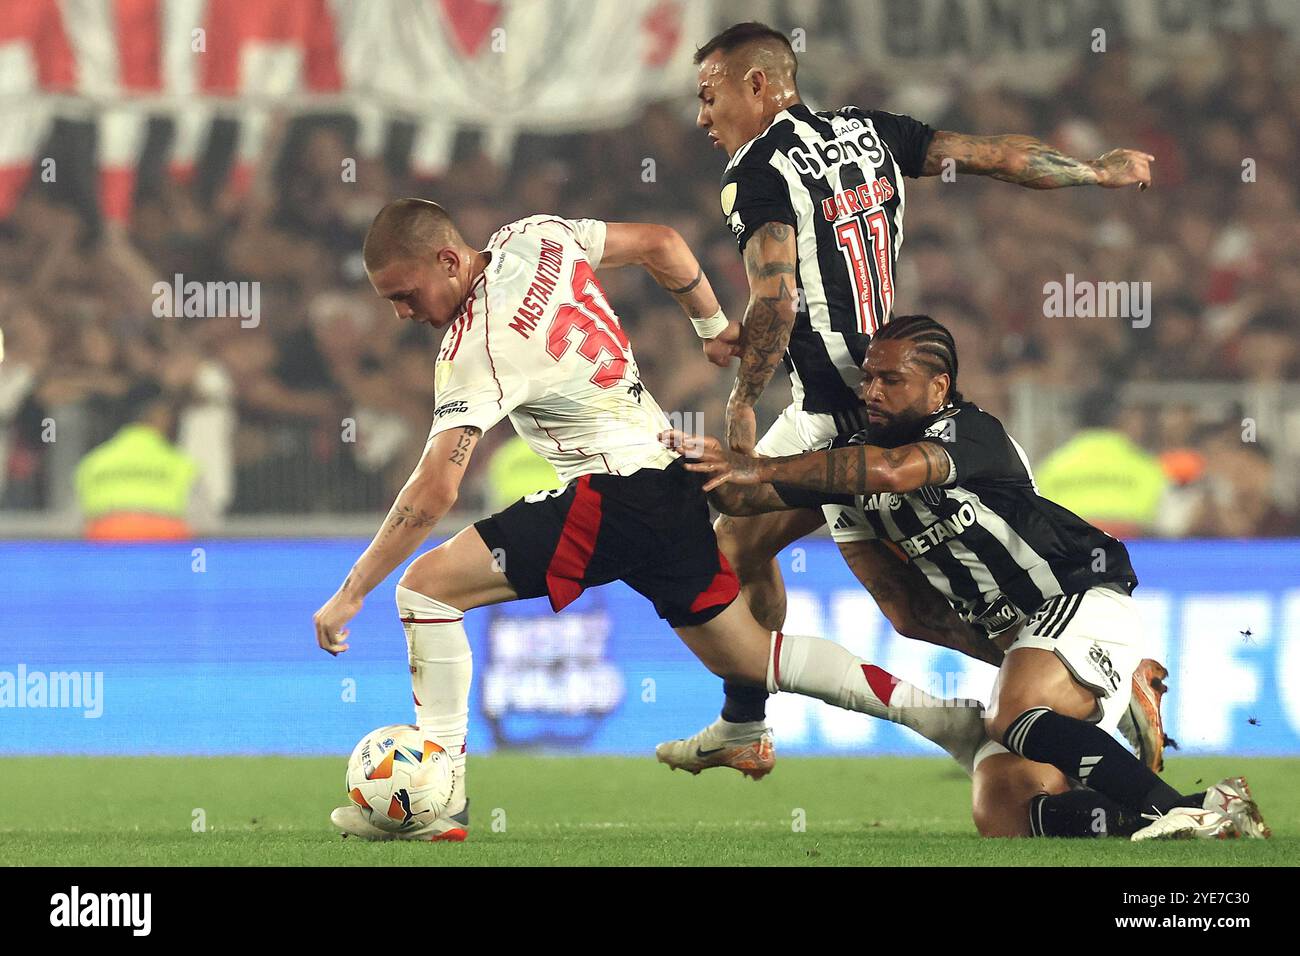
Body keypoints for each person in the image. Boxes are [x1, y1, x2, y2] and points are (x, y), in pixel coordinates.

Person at [313, 200, 989, 841]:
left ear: (449, 261)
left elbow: (435, 488)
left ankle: (440, 797)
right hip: (668, 485)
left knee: (424, 589)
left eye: (405, 294)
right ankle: (944, 721)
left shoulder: (477, 348)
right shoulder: (538, 236)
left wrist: (353, 589)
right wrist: (712, 327)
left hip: (613, 494)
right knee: (755, 656)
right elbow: (662, 244)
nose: (404, 314)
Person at [681, 21, 1157, 771]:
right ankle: (1082, 682)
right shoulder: (870, 133)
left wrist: (743, 396)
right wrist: (1091, 173)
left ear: (759, 85)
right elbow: (991, 154)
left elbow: (775, 297)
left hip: (846, 417)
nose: (702, 116)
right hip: (906, 403)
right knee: (905, 610)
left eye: (709, 97)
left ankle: (748, 724)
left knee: (743, 540)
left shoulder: (755, 171)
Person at [661, 315, 1270, 841]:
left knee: (1013, 712)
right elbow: (904, 608)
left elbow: (898, 471)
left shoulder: (969, 431)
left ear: (939, 387)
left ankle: (1191, 809)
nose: (871, 390)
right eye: (868, 377)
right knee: (1002, 807)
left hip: (1078, 593)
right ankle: (1135, 813)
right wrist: (684, 470)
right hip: (1027, 637)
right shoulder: (846, 475)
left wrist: (759, 463)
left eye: (891, 380)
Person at [74, 381, 200, 540]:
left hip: (107, 552)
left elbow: (70, 528)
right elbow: (208, 527)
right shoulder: (182, 464)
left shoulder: (93, 463)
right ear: (159, 415)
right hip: (165, 551)